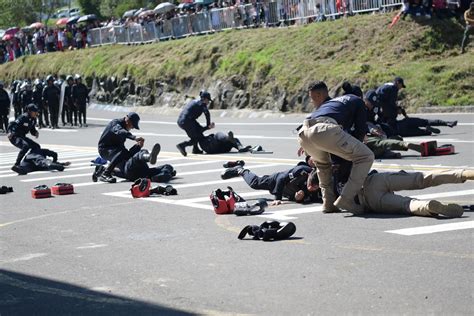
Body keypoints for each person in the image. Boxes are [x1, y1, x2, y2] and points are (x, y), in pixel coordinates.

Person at [297, 81, 374, 213]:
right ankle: (346, 198)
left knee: (322, 165)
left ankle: (328, 203)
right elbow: (360, 131)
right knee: (366, 156)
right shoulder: (357, 101)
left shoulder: (332, 102)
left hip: (304, 132)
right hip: (324, 129)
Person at [335, 160, 474, 217]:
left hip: (369, 200)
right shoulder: (334, 162)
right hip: (374, 180)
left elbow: (331, 204)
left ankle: (427, 207)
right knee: (421, 178)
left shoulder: (326, 187)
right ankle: (461, 174)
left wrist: (362, 209)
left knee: (407, 204)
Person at [221, 158, 322, 205]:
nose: (310, 188)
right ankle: (241, 170)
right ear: (309, 176)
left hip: (288, 191)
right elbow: (281, 178)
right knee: (254, 184)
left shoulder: (323, 185)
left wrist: (298, 199)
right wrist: (277, 198)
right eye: (309, 184)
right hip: (276, 180)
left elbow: (309, 199)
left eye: (314, 188)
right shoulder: (301, 170)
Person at [96, 112, 148, 183]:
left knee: (127, 168)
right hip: (105, 149)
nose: (132, 128)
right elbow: (120, 131)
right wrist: (134, 137)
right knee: (122, 152)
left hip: (116, 151)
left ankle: (103, 170)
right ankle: (105, 174)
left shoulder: (125, 129)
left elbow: (124, 151)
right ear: (127, 120)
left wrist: (138, 146)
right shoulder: (115, 123)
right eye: (132, 126)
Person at [95, 143, 174, 183]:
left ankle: (161, 175)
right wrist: (138, 146)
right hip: (131, 169)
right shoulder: (118, 156)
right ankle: (149, 158)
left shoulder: (115, 169)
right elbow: (130, 154)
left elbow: (130, 153)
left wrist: (138, 145)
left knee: (168, 166)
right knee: (142, 152)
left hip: (140, 173)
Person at [176, 91, 215, 156]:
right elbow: (207, 113)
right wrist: (208, 125)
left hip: (183, 120)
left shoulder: (194, 101)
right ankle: (182, 145)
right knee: (196, 137)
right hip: (187, 121)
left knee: (198, 132)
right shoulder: (202, 104)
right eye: (208, 100)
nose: (208, 102)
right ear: (205, 99)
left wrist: (206, 127)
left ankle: (195, 149)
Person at [7, 104, 41, 174]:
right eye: (34, 111)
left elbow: (32, 130)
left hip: (22, 136)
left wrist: (35, 133)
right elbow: (13, 125)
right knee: (25, 146)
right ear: (29, 111)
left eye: (36, 111)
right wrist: (11, 132)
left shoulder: (33, 119)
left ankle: (31, 160)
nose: (36, 113)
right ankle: (17, 164)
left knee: (36, 146)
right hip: (14, 136)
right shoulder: (23, 117)